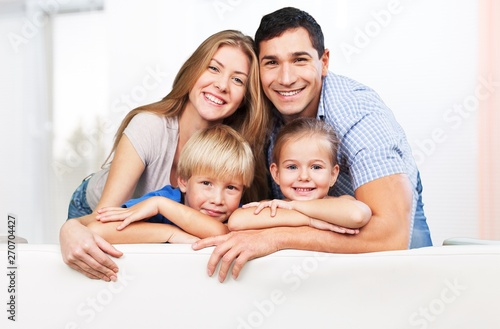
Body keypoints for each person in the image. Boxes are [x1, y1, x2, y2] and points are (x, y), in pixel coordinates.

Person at [192, 7, 433, 282]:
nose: (285, 78)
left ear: (325, 61)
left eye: (299, 60)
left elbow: (390, 236)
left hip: (385, 236)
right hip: (311, 247)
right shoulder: (260, 107)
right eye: (271, 63)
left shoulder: (359, 115)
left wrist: (277, 238)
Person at [59, 29, 269, 281]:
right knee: (96, 268)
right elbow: (100, 222)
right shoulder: (150, 127)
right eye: (213, 68)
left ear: (245, 97)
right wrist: (71, 227)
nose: (222, 85)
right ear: (193, 71)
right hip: (96, 210)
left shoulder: (234, 149)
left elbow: (225, 229)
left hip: (160, 223)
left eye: (238, 80)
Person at [88, 124, 254, 244]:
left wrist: (161, 206)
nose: (218, 199)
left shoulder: (238, 214)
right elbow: (97, 230)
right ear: (183, 181)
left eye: (231, 188)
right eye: (206, 183)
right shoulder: (162, 200)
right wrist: (170, 233)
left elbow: (219, 232)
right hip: (88, 195)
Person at [228, 117, 371, 233]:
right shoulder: (272, 207)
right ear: (276, 173)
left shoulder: (341, 202)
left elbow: (356, 216)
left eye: (316, 167)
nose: (304, 177)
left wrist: (293, 206)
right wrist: (309, 220)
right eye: (292, 167)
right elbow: (236, 221)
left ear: (333, 175)